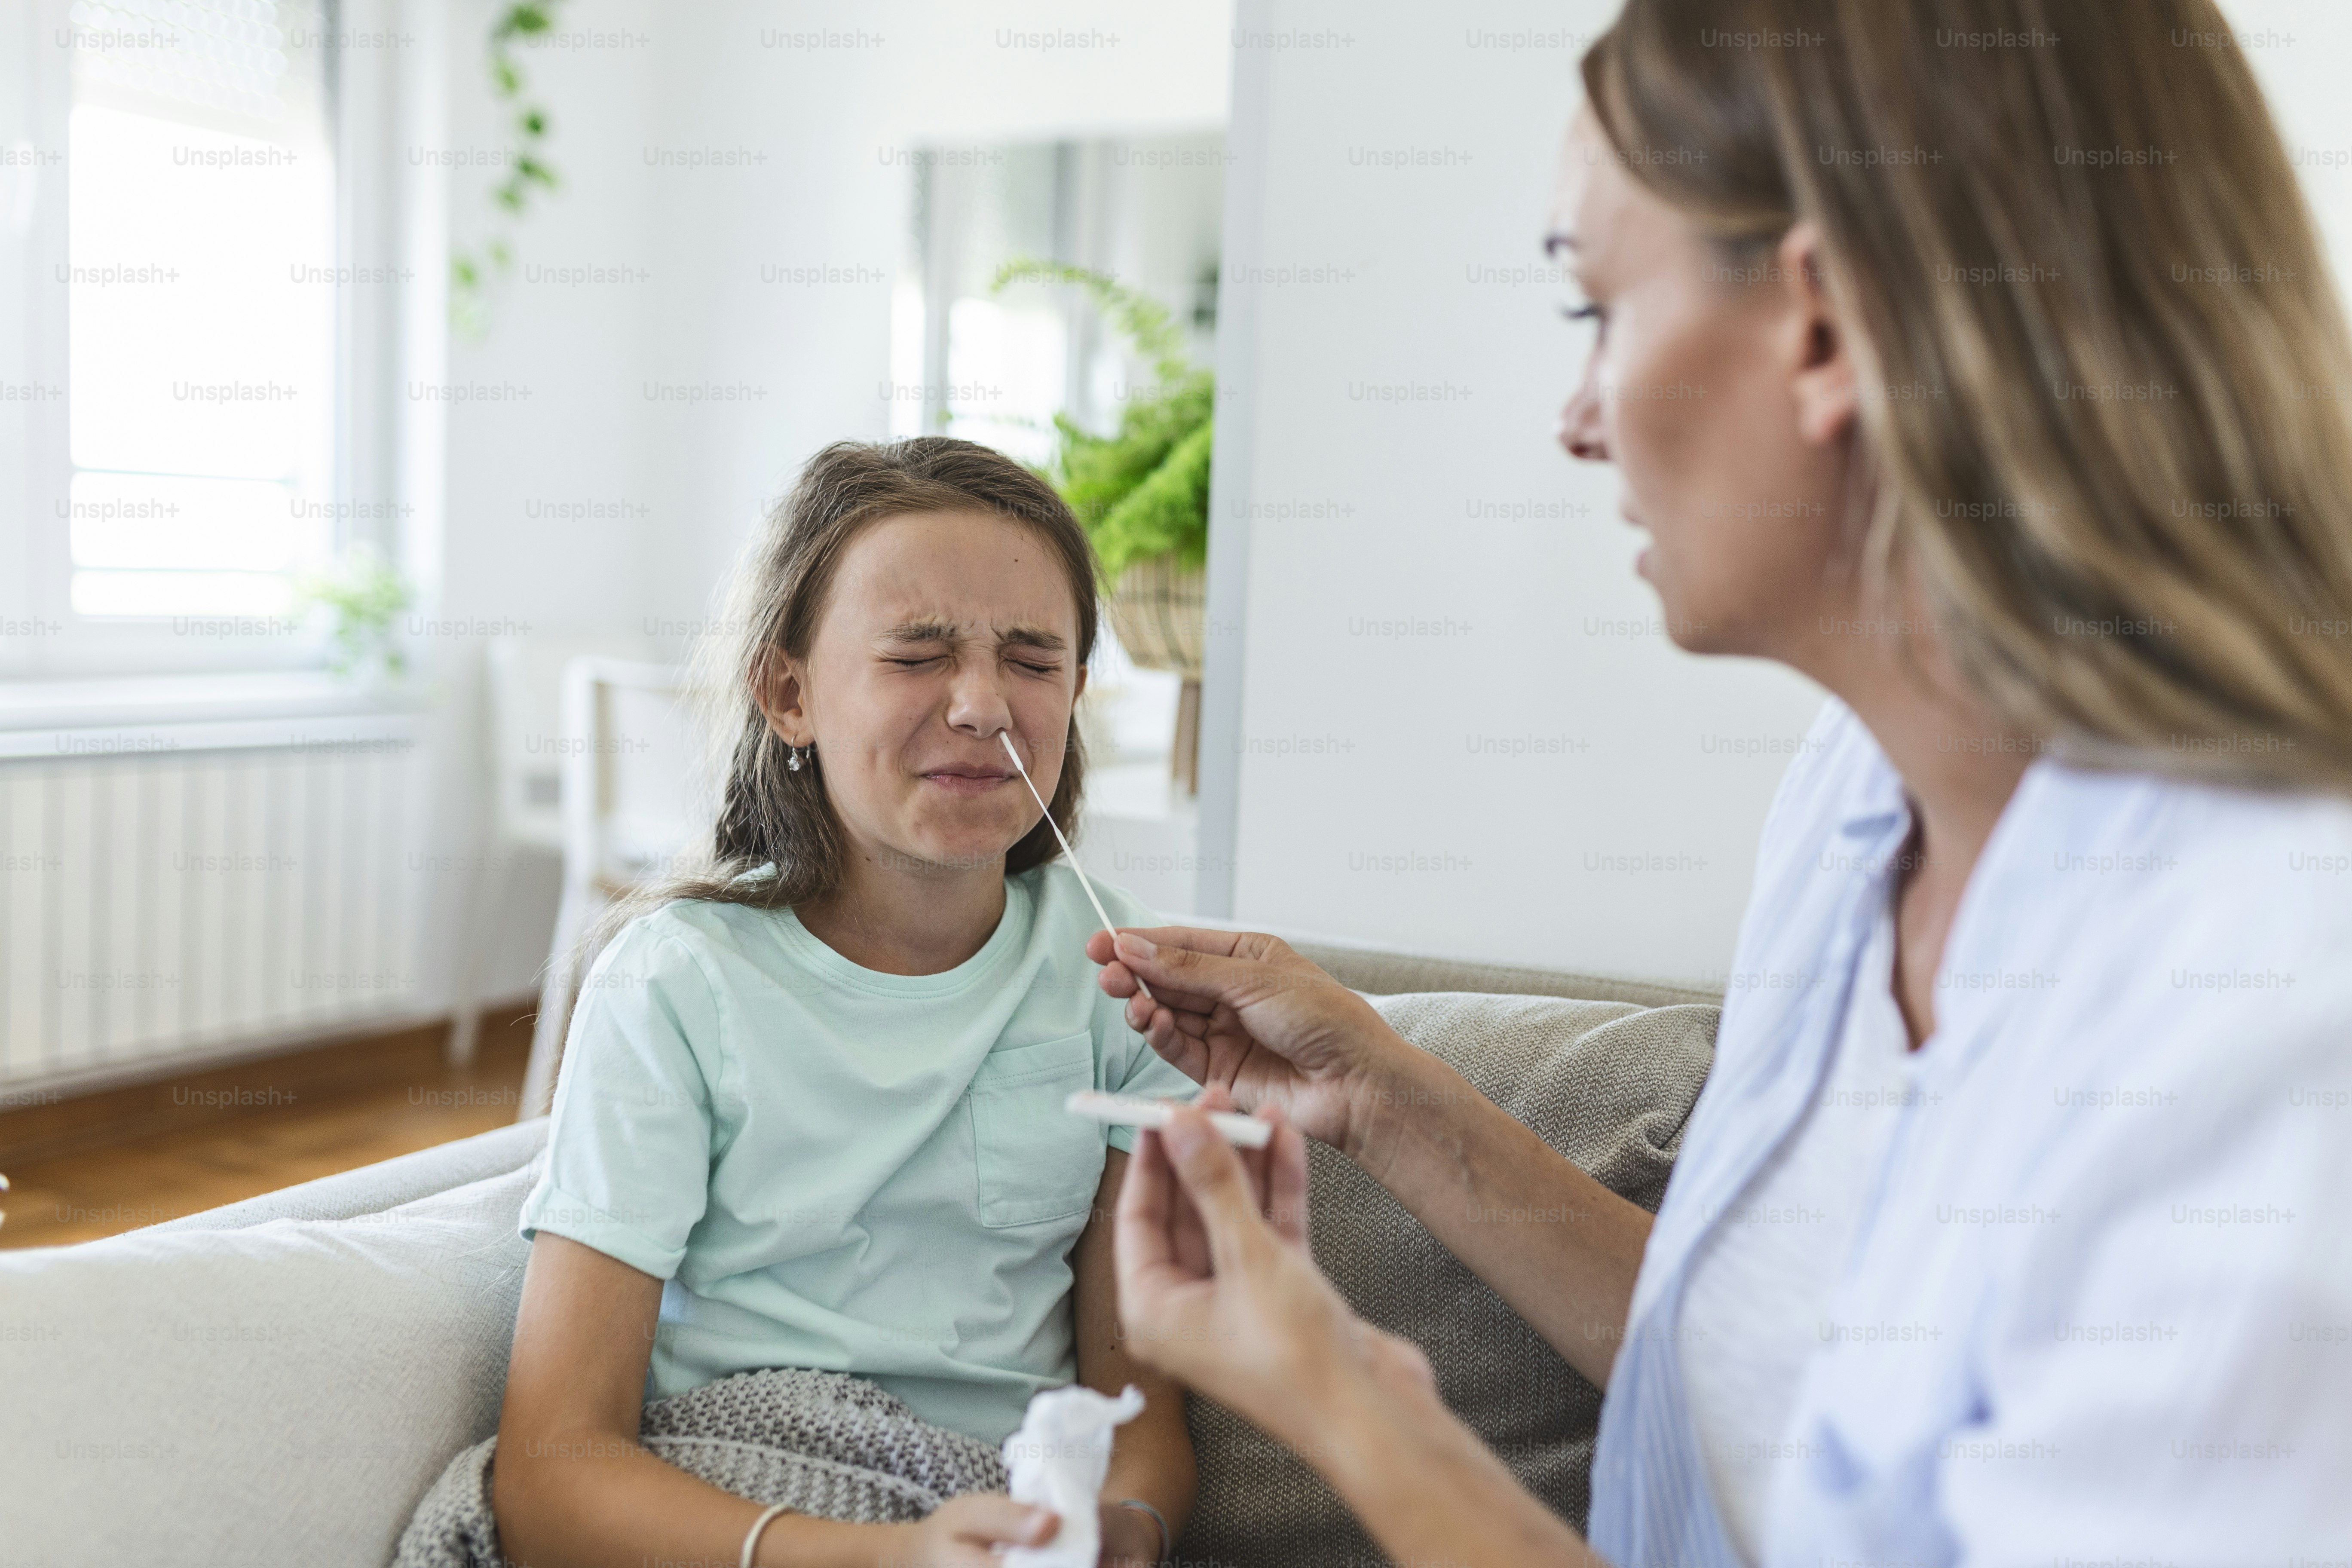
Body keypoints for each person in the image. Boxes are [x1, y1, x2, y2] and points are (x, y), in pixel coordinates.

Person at [1088, 2, 2352, 1564]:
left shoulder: (2262, 1011)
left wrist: (1352, 1407)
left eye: (1594, 310)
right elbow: (1763, 1380)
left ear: (1823, 323)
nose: (1575, 420)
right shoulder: (1853, 808)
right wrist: (1380, 1093)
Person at [492, 438, 1198, 1568]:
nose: (981, 705)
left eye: (1033, 659)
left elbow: (1141, 1422)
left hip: (999, 1508)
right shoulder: (677, 982)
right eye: (917, 655)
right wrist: (886, 1558)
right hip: (736, 1495)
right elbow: (546, 1473)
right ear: (788, 693)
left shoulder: (1121, 976)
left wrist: (1111, 1536)